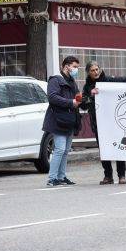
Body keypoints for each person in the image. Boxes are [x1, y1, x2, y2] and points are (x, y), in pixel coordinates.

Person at [83, 61, 126, 184]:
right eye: (92, 70)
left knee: (119, 148)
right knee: (104, 150)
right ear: (88, 72)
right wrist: (90, 95)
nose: (96, 72)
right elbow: (83, 104)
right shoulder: (87, 86)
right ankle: (108, 176)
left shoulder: (108, 80)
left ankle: (121, 175)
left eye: (97, 69)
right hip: (98, 123)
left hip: (113, 122)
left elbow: (122, 80)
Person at [43, 56, 83, 186]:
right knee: (59, 149)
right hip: (58, 120)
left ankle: (61, 177)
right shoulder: (55, 80)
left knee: (65, 151)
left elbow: (77, 97)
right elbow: (52, 97)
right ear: (66, 66)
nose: (76, 70)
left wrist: (82, 99)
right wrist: (70, 102)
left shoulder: (72, 81)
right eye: (74, 67)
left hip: (70, 120)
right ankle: (52, 178)